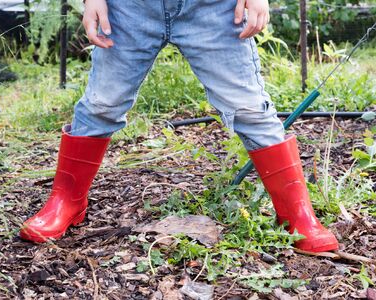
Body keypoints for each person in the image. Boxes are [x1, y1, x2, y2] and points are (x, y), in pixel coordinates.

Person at [20, 0, 338, 252]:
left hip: (214, 9)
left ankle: (296, 215)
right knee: (101, 105)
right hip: (128, 10)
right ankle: (68, 202)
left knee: (250, 110)